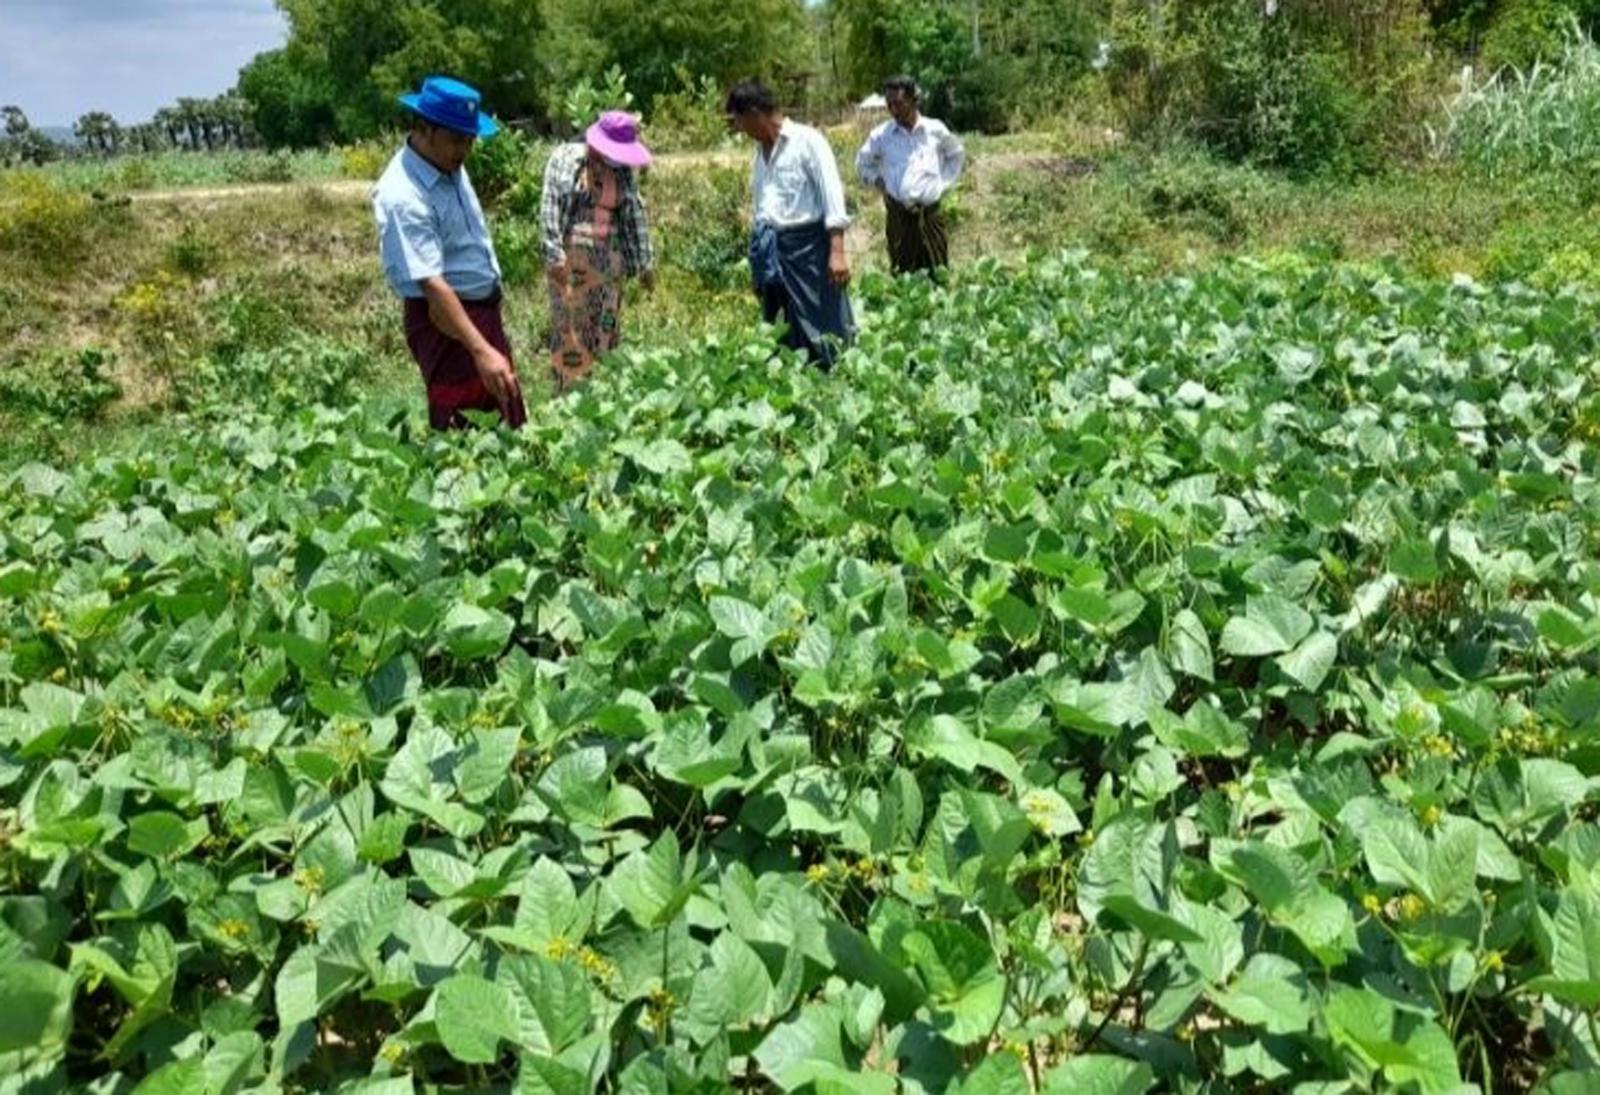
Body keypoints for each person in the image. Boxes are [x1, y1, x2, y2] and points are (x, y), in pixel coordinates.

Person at [371, 76, 525, 431]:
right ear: (424, 129)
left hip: (478, 314)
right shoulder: (402, 195)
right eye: (457, 139)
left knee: (506, 419)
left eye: (470, 139)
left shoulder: (447, 163)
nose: (465, 149)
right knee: (463, 430)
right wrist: (481, 350)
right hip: (445, 320)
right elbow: (431, 284)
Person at [725, 80, 854, 370]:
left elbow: (831, 194)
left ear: (755, 113)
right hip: (772, 249)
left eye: (741, 121)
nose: (741, 130)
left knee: (820, 318)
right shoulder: (760, 153)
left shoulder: (808, 141)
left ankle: (832, 374)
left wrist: (837, 252)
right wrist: (758, 263)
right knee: (780, 323)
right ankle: (791, 378)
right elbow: (762, 208)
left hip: (808, 248)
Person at [539, 111, 656, 394]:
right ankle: (569, 399)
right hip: (571, 261)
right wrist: (554, 258)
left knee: (605, 329)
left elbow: (633, 214)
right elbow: (549, 209)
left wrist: (644, 264)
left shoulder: (622, 170)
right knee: (571, 330)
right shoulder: (566, 160)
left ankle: (604, 397)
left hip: (610, 263)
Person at [855, 76, 965, 275]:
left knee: (938, 273)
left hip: (930, 216)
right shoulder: (882, 135)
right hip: (899, 219)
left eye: (898, 104)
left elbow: (956, 155)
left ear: (914, 101)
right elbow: (862, 164)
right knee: (902, 277)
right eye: (889, 105)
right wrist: (879, 182)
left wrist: (942, 184)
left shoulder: (934, 130)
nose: (893, 110)